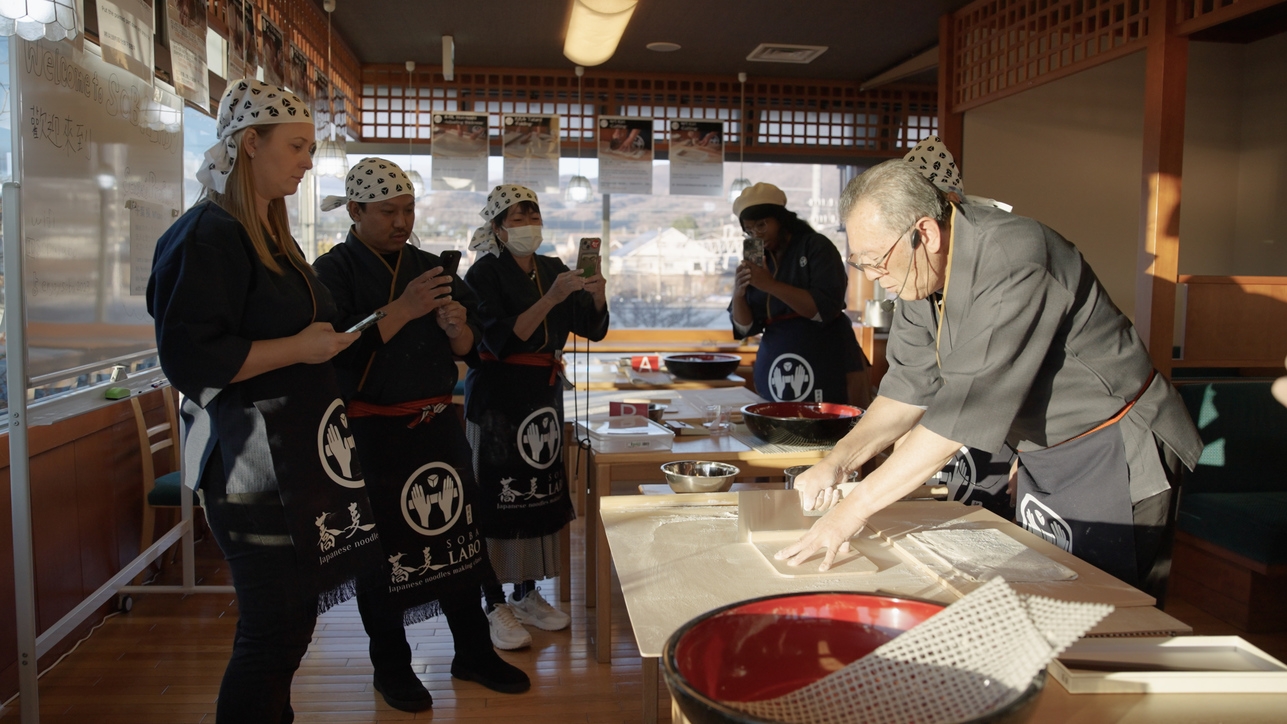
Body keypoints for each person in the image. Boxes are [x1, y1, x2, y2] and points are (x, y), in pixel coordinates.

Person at [779, 160, 1203, 602]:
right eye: (859, 264)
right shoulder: (918, 275)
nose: (871, 277)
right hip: (1047, 452)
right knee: (1043, 599)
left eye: (875, 262)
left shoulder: (1014, 257)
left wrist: (852, 510)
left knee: (1108, 614)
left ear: (926, 233)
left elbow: (961, 415)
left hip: (1114, 446)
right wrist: (838, 460)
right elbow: (904, 391)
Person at [147, 79, 382, 723]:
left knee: (289, 627)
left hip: (300, 456)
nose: (309, 161)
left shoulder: (273, 235)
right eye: (298, 146)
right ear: (250, 144)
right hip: (251, 463)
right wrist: (300, 350)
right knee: (271, 632)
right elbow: (192, 359)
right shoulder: (207, 234)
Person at [312, 159, 531, 711]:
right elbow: (334, 352)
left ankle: (473, 653)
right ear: (356, 211)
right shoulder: (332, 271)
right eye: (388, 212)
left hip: (437, 426)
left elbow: (468, 350)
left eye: (408, 210)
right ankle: (392, 666)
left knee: (460, 544)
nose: (402, 221)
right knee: (381, 554)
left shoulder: (433, 267)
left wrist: (456, 328)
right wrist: (403, 308)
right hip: (372, 433)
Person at [463, 185, 609, 646]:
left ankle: (527, 593)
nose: (528, 225)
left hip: (542, 401)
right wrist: (550, 298)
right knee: (494, 498)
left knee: (537, 495)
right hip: (498, 403)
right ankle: (493, 602)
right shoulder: (483, 273)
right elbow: (497, 342)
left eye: (534, 215)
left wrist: (598, 293)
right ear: (498, 228)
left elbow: (591, 328)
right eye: (518, 217)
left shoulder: (553, 269)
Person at [730, 182, 865, 405]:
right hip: (776, 355)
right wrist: (738, 293)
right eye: (750, 230)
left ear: (781, 220)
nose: (758, 236)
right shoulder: (759, 262)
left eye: (762, 225)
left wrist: (770, 284)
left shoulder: (816, 247)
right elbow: (746, 327)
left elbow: (824, 310)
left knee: (828, 426)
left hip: (826, 350)